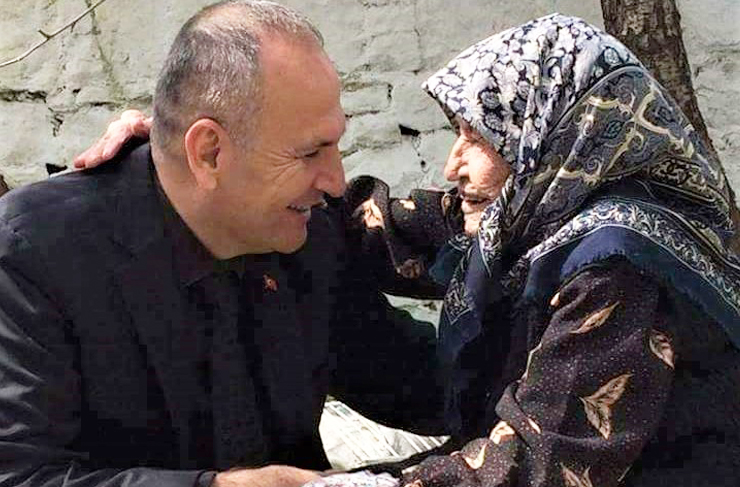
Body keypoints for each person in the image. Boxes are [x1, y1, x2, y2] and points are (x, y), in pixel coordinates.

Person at [72, 11, 740, 487]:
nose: (454, 164)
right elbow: (369, 225)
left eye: (479, 138)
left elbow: (542, 464)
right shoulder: (535, 213)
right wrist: (185, 158)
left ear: (555, 133)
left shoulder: (620, 263)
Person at [0, 2, 447, 487]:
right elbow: (21, 475)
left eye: (335, 144)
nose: (336, 181)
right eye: (309, 152)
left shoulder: (305, 236)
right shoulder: (34, 255)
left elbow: (425, 382)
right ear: (209, 152)